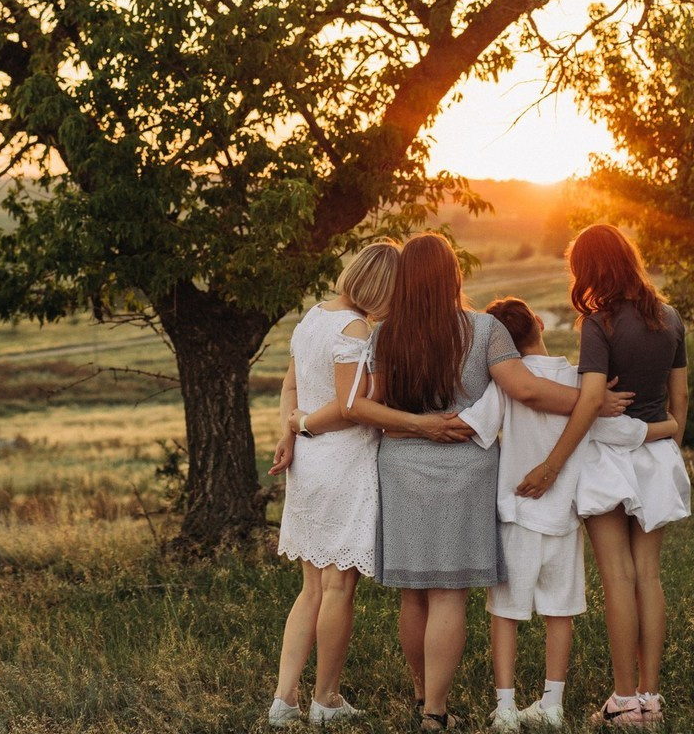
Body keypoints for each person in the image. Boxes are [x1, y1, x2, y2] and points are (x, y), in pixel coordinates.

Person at [298, 232, 632, 732]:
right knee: (449, 593)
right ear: (455, 275)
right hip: (465, 469)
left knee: (414, 594)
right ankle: (435, 711)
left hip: (402, 466)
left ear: (406, 279)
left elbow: (364, 404)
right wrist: (591, 401)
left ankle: (419, 695)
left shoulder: (386, 334)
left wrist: (413, 424)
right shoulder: (484, 329)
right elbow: (526, 390)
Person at [456, 298, 677, 731]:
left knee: (505, 613)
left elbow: (474, 425)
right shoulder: (583, 384)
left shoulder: (505, 382)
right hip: (563, 518)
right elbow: (619, 428)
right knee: (560, 613)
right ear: (539, 323)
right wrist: (668, 428)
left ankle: (505, 708)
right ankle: (552, 703)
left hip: (516, 514)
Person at [516, 225, 690, 727]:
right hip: (655, 454)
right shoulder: (671, 318)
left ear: (591, 269)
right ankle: (651, 701)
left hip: (608, 461)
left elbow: (591, 400)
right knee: (648, 577)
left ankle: (622, 700)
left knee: (617, 577)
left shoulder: (600, 323)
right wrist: (664, 449)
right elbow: (679, 403)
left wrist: (551, 465)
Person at [266, 240, 401, 726]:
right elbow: (349, 408)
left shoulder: (314, 316)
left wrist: (288, 430)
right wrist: (299, 427)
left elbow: (290, 387)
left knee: (312, 588)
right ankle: (325, 700)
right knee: (339, 585)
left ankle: (284, 701)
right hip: (340, 462)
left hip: (309, 466)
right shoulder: (354, 327)